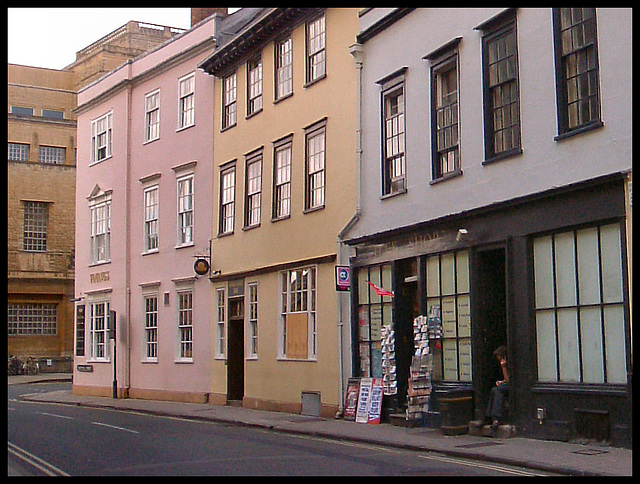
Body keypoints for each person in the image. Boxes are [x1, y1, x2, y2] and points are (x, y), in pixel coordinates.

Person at [485, 345, 508, 428]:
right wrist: (502, 382)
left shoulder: (506, 365)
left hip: (513, 386)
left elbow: (509, 380)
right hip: (507, 384)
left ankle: (498, 417)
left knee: (498, 390)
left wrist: (504, 367)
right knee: (494, 390)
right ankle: (490, 416)